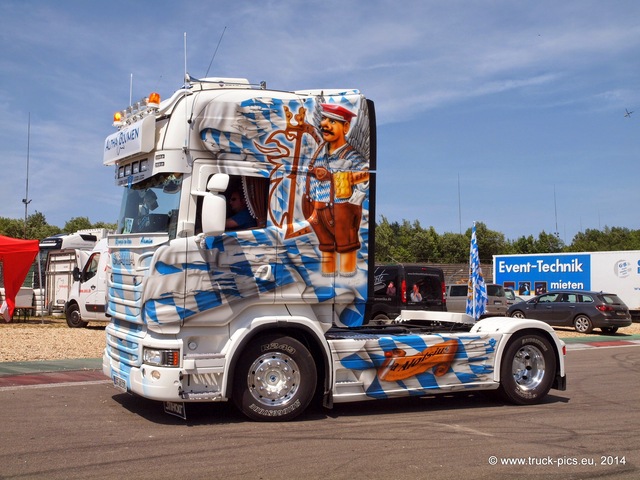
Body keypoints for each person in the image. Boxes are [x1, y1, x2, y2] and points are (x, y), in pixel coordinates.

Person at [306, 103, 369, 277]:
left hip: (342, 211)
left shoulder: (352, 156)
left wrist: (354, 195)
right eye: (324, 120)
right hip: (319, 209)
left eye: (332, 121)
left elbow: (366, 175)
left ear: (346, 127)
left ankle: (348, 289)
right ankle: (328, 286)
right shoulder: (319, 154)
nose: (324, 125)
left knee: (347, 250)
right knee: (326, 252)